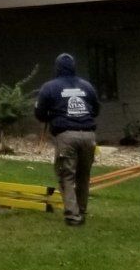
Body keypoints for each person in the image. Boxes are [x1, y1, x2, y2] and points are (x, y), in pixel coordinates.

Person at [34, 52, 101, 227]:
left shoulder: (50, 87)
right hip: (89, 135)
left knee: (67, 175)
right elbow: (96, 109)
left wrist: (50, 115)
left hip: (66, 135)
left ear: (57, 68)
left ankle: (73, 215)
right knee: (83, 176)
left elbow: (39, 113)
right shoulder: (86, 86)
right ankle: (82, 211)